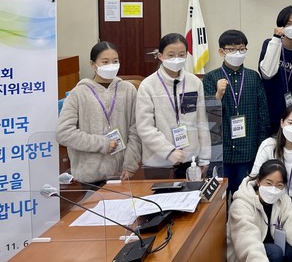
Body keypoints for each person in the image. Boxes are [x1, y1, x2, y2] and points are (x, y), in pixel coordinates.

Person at [56, 42, 141, 184]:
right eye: (105, 62)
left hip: (122, 173)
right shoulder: (78, 93)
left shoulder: (128, 90)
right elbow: (64, 133)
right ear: (93, 64)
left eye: (115, 61)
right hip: (89, 174)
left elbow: (136, 128)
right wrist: (102, 143)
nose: (111, 66)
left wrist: (130, 164)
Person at [203, 29, 269, 193]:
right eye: (231, 50)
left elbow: (263, 115)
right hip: (221, 151)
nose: (237, 53)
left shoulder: (253, 77)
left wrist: (261, 147)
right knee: (220, 198)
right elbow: (206, 117)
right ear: (221, 52)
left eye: (241, 49)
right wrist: (217, 96)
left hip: (248, 150)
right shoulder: (211, 78)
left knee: (244, 195)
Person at [136, 33, 211, 178]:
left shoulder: (195, 82)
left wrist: (205, 157)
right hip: (158, 162)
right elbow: (144, 127)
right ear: (160, 56)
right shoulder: (148, 85)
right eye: (171, 55)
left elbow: (201, 121)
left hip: (190, 160)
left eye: (181, 55)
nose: (176, 59)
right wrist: (168, 151)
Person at [251, 104, 292, 210]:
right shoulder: (268, 145)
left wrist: (290, 212)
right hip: (267, 199)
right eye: (290, 122)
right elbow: (254, 177)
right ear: (282, 123)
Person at [259, 6, 292, 135]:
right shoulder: (270, 44)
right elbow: (267, 74)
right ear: (281, 26)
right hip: (268, 112)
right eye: (288, 23)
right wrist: (276, 38)